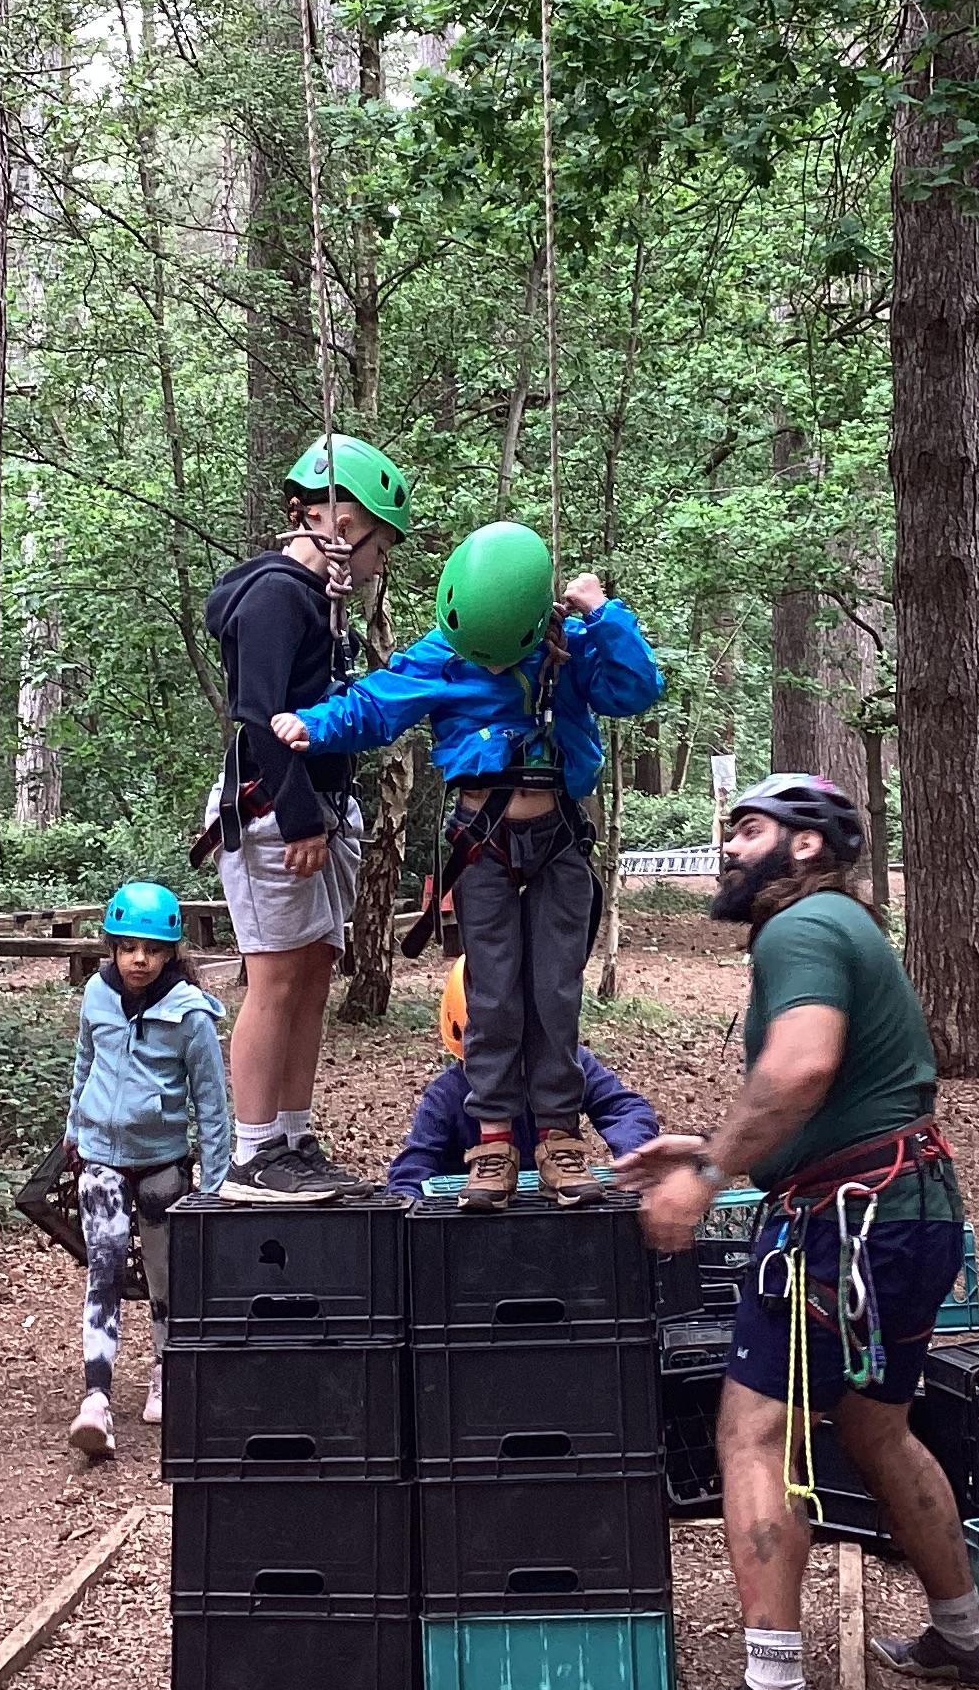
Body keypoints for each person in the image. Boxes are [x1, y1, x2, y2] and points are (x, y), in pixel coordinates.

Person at [615, 773, 979, 1690]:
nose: (729, 847)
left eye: (749, 830)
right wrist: (716, 1148)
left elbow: (799, 1070)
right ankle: (967, 1637)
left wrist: (707, 1175)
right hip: (909, 1210)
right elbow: (833, 1095)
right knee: (879, 1429)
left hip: (844, 1228)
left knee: (754, 1436)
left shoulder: (802, 928)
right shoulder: (841, 928)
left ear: (805, 846)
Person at [275, 520, 663, 1208]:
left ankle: (558, 1137)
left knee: (555, 994)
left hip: (559, 842)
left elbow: (635, 689)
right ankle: (493, 1142)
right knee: (493, 997)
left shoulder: (568, 648)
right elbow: (377, 704)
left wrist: (603, 612)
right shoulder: (443, 655)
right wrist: (315, 724)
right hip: (484, 845)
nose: (489, 668)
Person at [202, 433, 413, 1205]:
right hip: (275, 809)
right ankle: (254, 1153)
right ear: (343, 525)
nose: (378, 565)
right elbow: (258, 716)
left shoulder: (319, 605)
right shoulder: (274, 596)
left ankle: (292, 1137)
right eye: (380, 547)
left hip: (319, 808)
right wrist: (298, 820)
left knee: (313, 977)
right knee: (276, 979)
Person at [58, 882, 232, 1460]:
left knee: (164, 1275)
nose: (139, 959)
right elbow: (85, 1062)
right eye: (129, 947)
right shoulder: (96, 994)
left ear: (171, 952)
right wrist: (74, 1128)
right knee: (103, 1270)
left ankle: (164, 1372)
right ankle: (96, 1400)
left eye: (153, 950)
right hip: (100, 1158)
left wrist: (214, 1186)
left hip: (163, 1164)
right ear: (112, 947)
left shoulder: (190, 1016)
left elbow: (212, 1106)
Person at [383, 958, 664, 1203]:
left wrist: (634, 1151)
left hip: (554, 1208)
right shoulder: (448, 1093)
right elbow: (416, 1163)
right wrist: (406, 1206)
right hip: (476, 1219)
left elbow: (623, 1107)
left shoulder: (567, 1066)